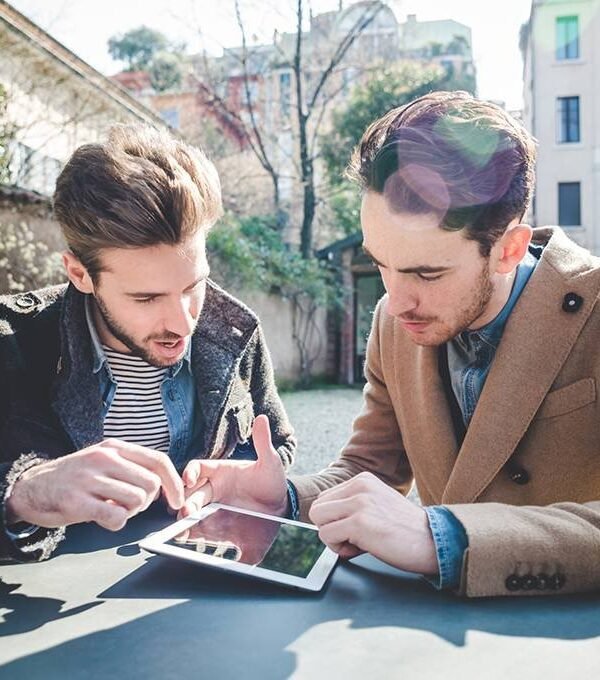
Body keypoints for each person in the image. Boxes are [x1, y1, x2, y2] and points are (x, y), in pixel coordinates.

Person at [180, 91, 600, 597]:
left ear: (508, 250)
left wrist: (447, 538)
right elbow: (370, 469)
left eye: (427, 273)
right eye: (381, 264)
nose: (396, 303)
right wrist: (284, 499)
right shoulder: (391, 320)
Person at [0, 125, 295, 562]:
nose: (183, 321)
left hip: (196, 587)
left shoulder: (236, 332)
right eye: (146, 298)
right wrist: (22, 496)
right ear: (80, 274)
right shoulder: (13, 343)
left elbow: (275, 448)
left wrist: (253, 483)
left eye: (194, 286)